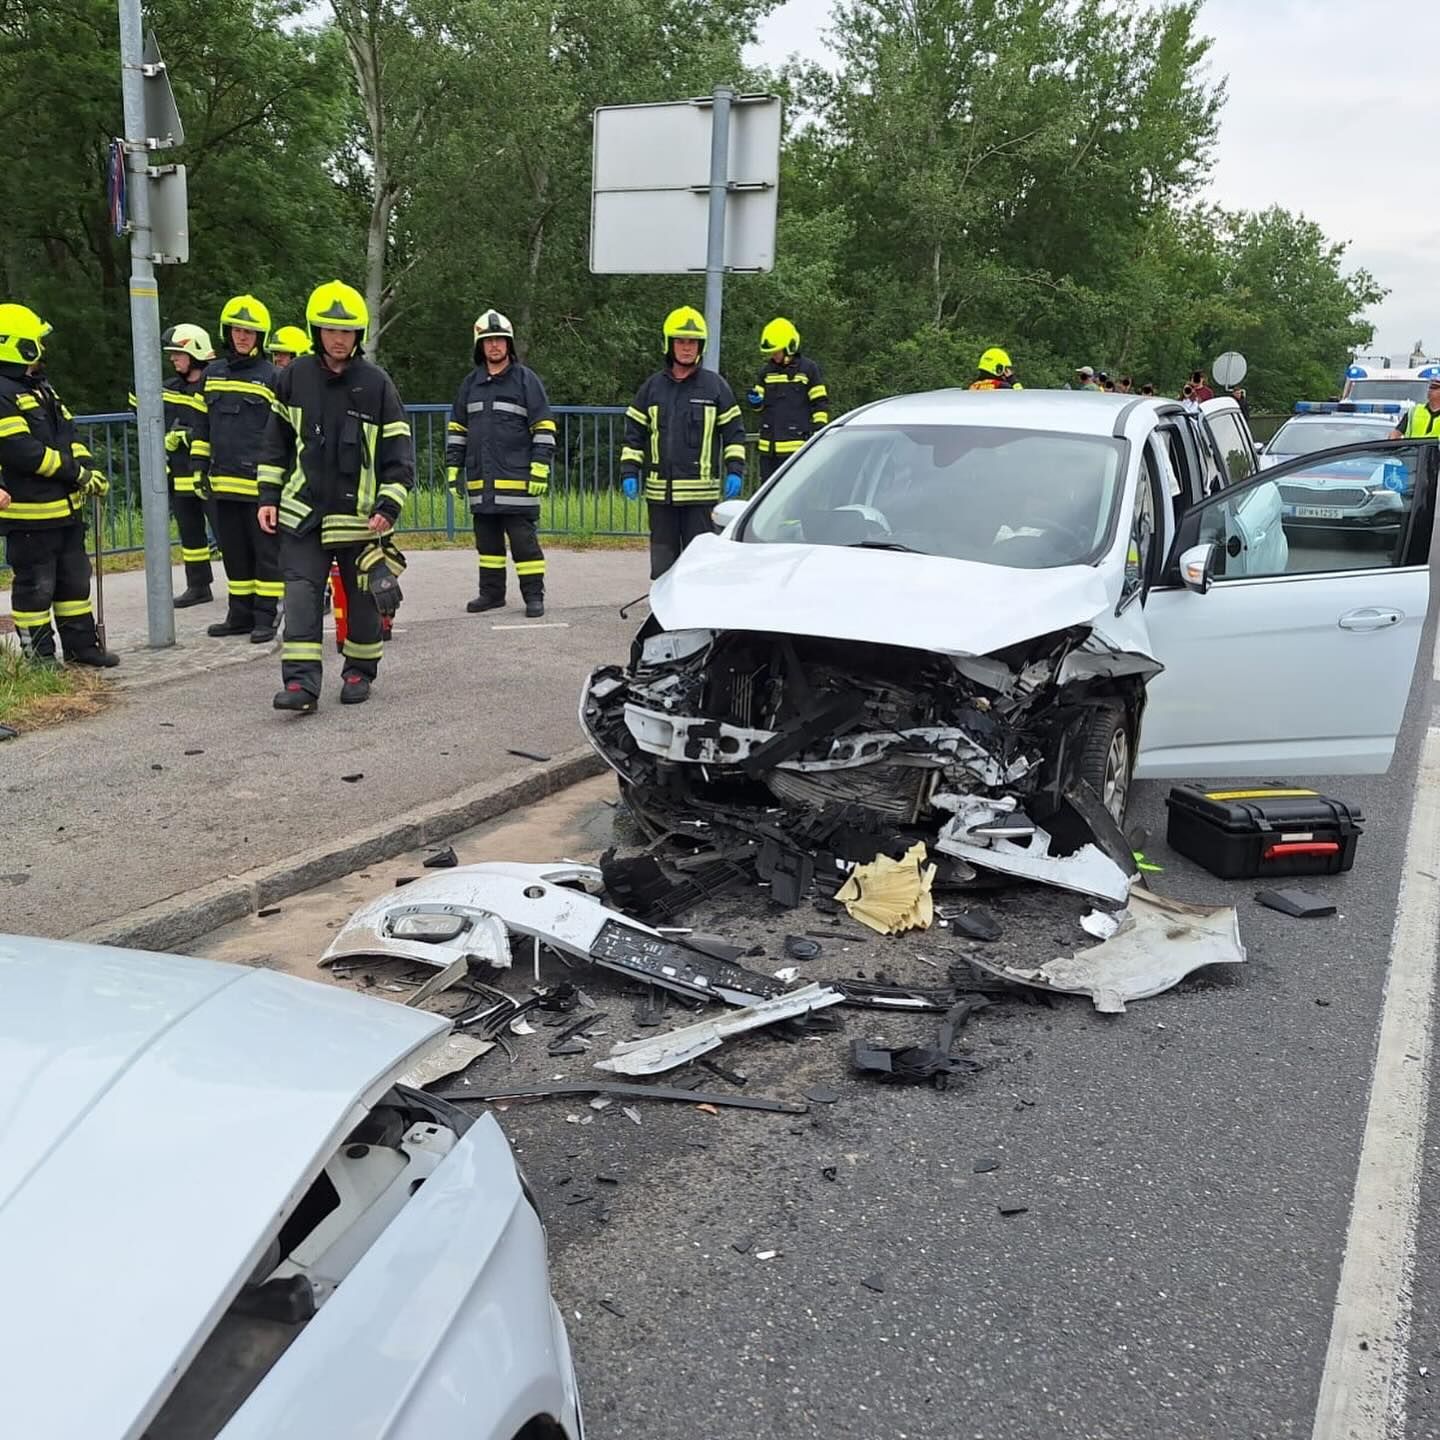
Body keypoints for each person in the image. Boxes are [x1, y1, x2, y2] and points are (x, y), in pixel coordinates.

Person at [257, 280, 412, 714]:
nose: (339, 338)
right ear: (316, 331)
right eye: (329, 330)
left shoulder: (377, 384)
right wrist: (268, 495)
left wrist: (388, 505)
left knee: (362, 593)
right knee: (301, 593)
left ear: (358, 335)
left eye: (346, 331)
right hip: (303, 511)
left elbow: (399, 453)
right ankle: (301, 685)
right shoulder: (293, 378)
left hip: (359, 517)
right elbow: (275, 444)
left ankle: (359, 670)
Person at [0, 303, 118, 667]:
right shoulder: (2, 393)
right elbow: (24, 452)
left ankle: (82, 648)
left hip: (66, 510)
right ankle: (41, 659)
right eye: (38, 340)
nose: (43, 348)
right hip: (30, 514)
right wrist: (76, 474)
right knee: (36, 588)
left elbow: (70, 432)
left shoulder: (40, 388)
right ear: (20, 345)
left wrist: (86, 465)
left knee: (73, 583)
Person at [621, 307, 747, 579]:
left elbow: (734, 433)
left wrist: (735, 469)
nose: (687, 348)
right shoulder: (652, 388)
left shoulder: (715, 387)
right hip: (660, 497)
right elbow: (634, 434)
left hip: (700, 499)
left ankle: (699, 618)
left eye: (692, 342)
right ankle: (663, 617)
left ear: (700, 346)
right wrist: (629, 472)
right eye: (681, 341)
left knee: (699, 565)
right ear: (669, 344)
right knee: (663, 564)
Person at [446, 309, 556, 618]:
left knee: (525, 546)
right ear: (479, 347)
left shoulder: (525, 380)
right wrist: (454, 466)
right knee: (488, 546)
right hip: (482, 482)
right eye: (488, 341)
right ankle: (491, 595)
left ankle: (534, 596)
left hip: (519, 480)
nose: (494, 346)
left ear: (509, 344)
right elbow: (458, 429)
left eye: (500, 340)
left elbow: (544, 426)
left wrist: (540, 467)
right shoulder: (470, 385)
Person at [191, 294, 283, 643]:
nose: (242, 337)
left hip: (258, 485)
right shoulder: (213, 375)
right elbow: (201, 424)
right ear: (226, 332)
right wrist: (199, 465)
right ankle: (239, 614)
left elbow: (280, 434)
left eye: (250, 331)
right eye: (237, 330)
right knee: (233, 552)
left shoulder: (272, 377)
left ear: (260, 336)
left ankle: (265, 615)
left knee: (265, 554)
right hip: (221, 482)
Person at [132, 324, 217, 607]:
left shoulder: (215, 383)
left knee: (229, 536)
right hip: (180, 475)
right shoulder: (170, 388)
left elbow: (223, 426)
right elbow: (139, 402)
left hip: (212, 475)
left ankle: (247, 591)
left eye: (177, 354)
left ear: (194, 352)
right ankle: (198, 585)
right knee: (190, 535)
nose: (173, 359)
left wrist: (187, 436)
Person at [747, 317, 829, 479]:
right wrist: (755, 402)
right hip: (768, 450)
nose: (774, 355)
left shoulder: (808, 369)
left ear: (790, 347)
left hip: (796, 449)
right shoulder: (766, 372)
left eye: (777, 351)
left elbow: (820, 403)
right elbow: (759, 406)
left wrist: (819, 431)